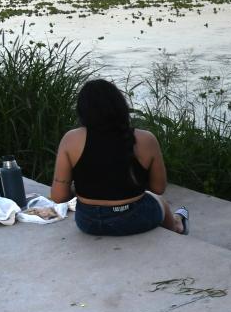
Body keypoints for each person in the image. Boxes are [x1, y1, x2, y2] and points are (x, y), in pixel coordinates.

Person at [50, 79, 189, 236]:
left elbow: (58, 196)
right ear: (120, 106)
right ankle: (177, 226)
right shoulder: (146, 139)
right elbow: (158, 188)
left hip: (88, 222)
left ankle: (177, 223)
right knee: (158, 201)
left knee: (155, 200)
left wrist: (82, 189)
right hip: (135, 219)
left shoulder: (70, 139)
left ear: (83, 111)